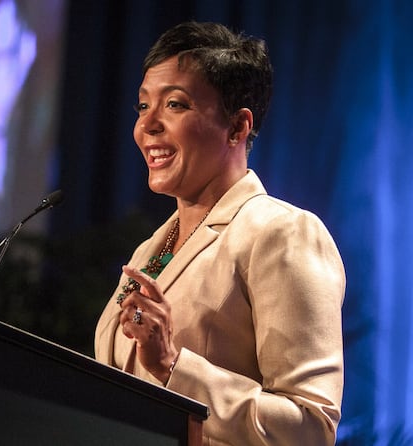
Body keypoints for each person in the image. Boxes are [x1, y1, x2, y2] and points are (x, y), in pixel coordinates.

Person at [94, 22, 345, 445]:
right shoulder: (148, 252)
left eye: (174, 104)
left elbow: (310, 428)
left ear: (236, 127)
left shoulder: (282, 233)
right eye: (142, 106)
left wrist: (175, 365)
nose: (148, 126)